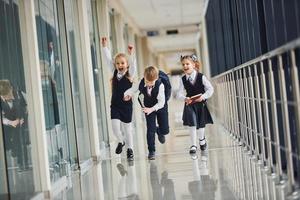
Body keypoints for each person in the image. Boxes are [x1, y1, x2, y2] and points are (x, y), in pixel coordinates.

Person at [101, 37, 136, 160]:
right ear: (115, 65)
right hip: (115, 105)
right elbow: (107, 60)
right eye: (118, 63)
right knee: (115, 127)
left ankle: (130, 149)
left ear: (127, 64)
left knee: (127, 128)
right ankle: (121, 141)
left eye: (123, 63)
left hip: (126, 106)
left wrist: (131, 54)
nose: (120, 65)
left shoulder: (130, 74)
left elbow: (133, 66)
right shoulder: (114, 73)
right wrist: (105, 47)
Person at [124, 66, 170, 160]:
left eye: (151, 82)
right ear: (144, 77)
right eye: (147, 81)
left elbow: (161, 102)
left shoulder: (160, 85)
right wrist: (127, 94)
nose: (149, 84)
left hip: (160, 106)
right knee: (150, 129)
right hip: (148, 107)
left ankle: (160, 131)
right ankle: (151, 151)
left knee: (165, 130)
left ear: (156, 79)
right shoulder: (141, 82)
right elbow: (132, 89)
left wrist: (152, 109)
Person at [176, 54, 214, 154]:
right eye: (183, 64)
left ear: (193, 65)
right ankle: (193, 145)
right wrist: (185, 98)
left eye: (187, 64)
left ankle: (202, 140)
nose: (185, 66)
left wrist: (203, 97)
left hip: (200, 104)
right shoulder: (183, 79)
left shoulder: (201, 77)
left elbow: (210, 89)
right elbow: (178, 94)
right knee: (192, 124)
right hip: (189, 105)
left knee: (201, 125)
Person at [0, 80, 29, 170]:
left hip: (20, 124)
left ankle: (23, 164)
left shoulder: (20, 94)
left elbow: (28, 106)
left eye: (8, 94)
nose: (7, 97)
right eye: (4, 96)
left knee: (22, 142)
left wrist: (24, 117)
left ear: (11, 89)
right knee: (10, 146)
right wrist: (11, 122)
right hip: (7, 127)